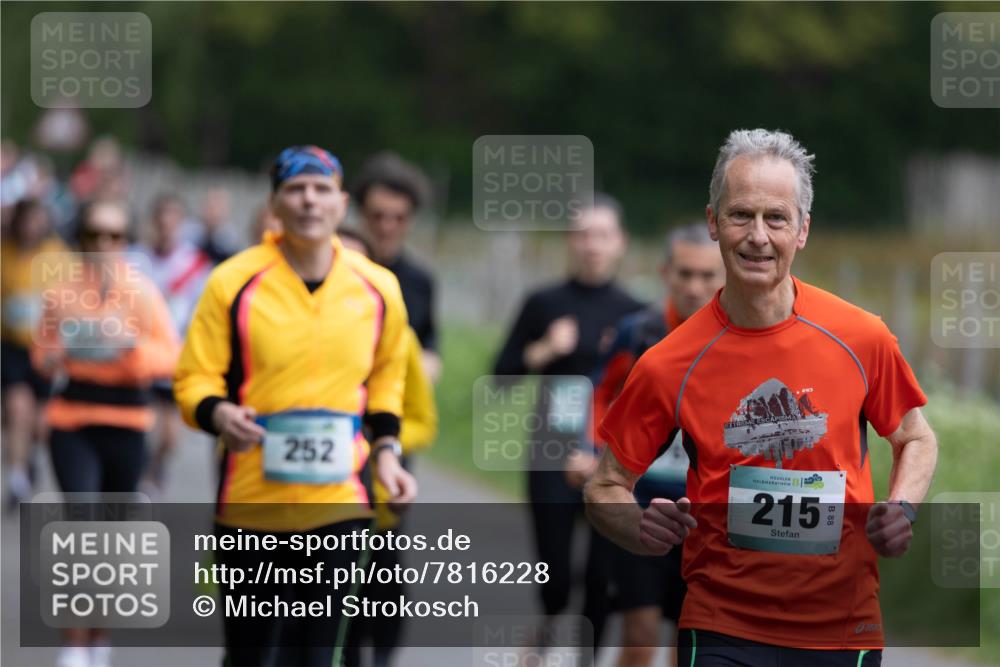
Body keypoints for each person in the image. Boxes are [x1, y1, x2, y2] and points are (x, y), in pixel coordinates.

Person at [585, 129, 938, 667]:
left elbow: (915, 437)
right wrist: (638, 526)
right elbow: (604, 486)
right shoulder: (668, 362)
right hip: (722, 624)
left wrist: (902, 508)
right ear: (713, 222)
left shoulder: (861, 337)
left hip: (841, 625)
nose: (757, 236)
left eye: (776, 218)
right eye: (740, 215)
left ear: (802, 230)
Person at [173, 145, 417, 667]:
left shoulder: (379, 288)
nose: (309, 200)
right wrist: (219, 414)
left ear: (341, 203)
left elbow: (387, 379)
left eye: (321, 189)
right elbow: (194, 378)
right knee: (251, 655)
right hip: (250, 500)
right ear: (274, 204)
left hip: (341, 501)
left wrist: (388, 453)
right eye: (295, 189)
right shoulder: (232, 282)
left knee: (320, 655)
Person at [31, 197, 180, 667]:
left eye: (113, 235)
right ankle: (74, 642)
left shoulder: (143, 294)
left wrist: (128, 347)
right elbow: (41, 352)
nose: (103, 243)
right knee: (81, 525)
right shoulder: (61, 293)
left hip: (127, 423)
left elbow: (170, 357)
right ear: (81, 239)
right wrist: (57, 353)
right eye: (94, 234)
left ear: (125, 241)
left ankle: (99, 633)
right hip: (73, 420)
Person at [492, 196, 644, 654]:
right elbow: (501, 376)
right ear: (570, 242)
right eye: (583, 235)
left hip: (610, 457)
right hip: (551, 452)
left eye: (603, 235)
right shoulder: (544, 303)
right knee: (555, 576)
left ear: (620, 242)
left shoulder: (638, 315)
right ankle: (546, 627)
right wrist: (544, 349)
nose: (592, 245)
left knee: (601, 578)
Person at [567, 222, 723, 667]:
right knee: (639, 640)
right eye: (685, 274)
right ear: (665, 273)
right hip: (642, 505)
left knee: (686, 646)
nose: (694, 287)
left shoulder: (737, 340)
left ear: (724, 276)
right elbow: (599, 391)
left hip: (706, 513)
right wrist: (592, 450)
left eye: (707, 276)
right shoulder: (639, 332)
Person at [337, 226, 438, 667]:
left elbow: (422, 421)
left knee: (377, 580)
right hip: (305, 494)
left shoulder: (399, 336)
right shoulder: (295, 332)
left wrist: (377, 445)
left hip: (374, 492)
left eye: (359, 265)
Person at [137, 193, 213, 496]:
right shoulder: (137, 259)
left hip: (176, 356)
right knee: (142, 425)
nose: (166, 226)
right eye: (161, 220)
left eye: (173, 220)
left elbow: (204, 309)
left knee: (170, 437)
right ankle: (140, 476)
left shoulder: (195, 264)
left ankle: (156, 468)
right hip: (141, 354)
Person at [352, 152, 441, 382]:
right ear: (361, 212)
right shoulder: (339, 269)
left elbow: (428, 348)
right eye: (378, 216)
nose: (387, 227)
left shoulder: (420, 281)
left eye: (399, 218)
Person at [1, 199, 67, 506]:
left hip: (47, 349)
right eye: (27, 220)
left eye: (37, 221)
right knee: (17, 408)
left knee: (41, 424)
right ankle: (16, 477)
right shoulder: (5, 252)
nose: (31, 227)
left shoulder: (58, 255)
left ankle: (28, 459)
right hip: (12, 346)